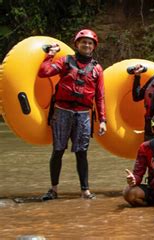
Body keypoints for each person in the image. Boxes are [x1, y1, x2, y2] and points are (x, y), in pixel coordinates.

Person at [38, 29, 107, 200]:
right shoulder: (66, 61)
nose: (86, 45)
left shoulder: (97, 69)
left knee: (81, 152)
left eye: (90, 43)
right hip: (62, 112)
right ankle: (53, 189)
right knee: (58, 150)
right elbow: (44, 72)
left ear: (94, 47)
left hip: (83, 114)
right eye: (83, 42)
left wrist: (103, 120)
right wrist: (50, 55)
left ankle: (85, 191)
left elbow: (100, 96)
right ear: (76, 44)